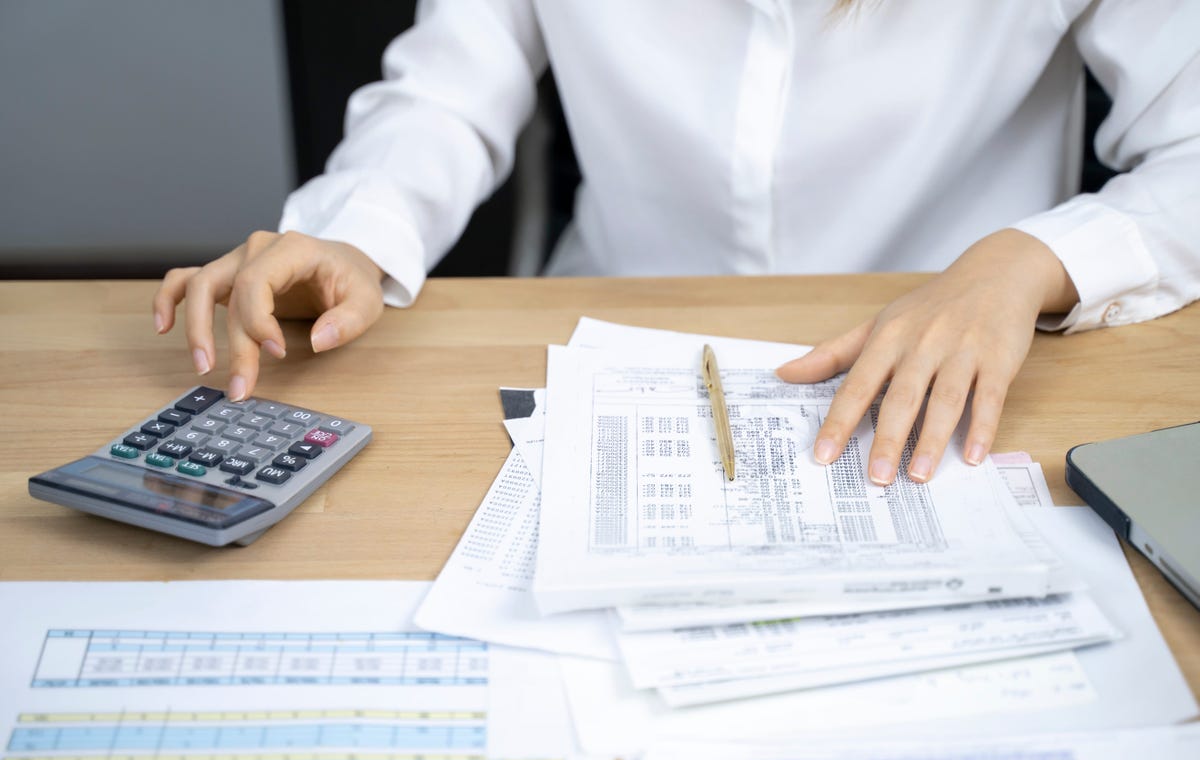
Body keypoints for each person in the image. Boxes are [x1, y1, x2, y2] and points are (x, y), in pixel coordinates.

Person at [152, 0, 1200, 486]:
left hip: (947, 386)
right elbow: (443, 92)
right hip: (601, 357)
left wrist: (1028, 261)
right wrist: (352, 233)